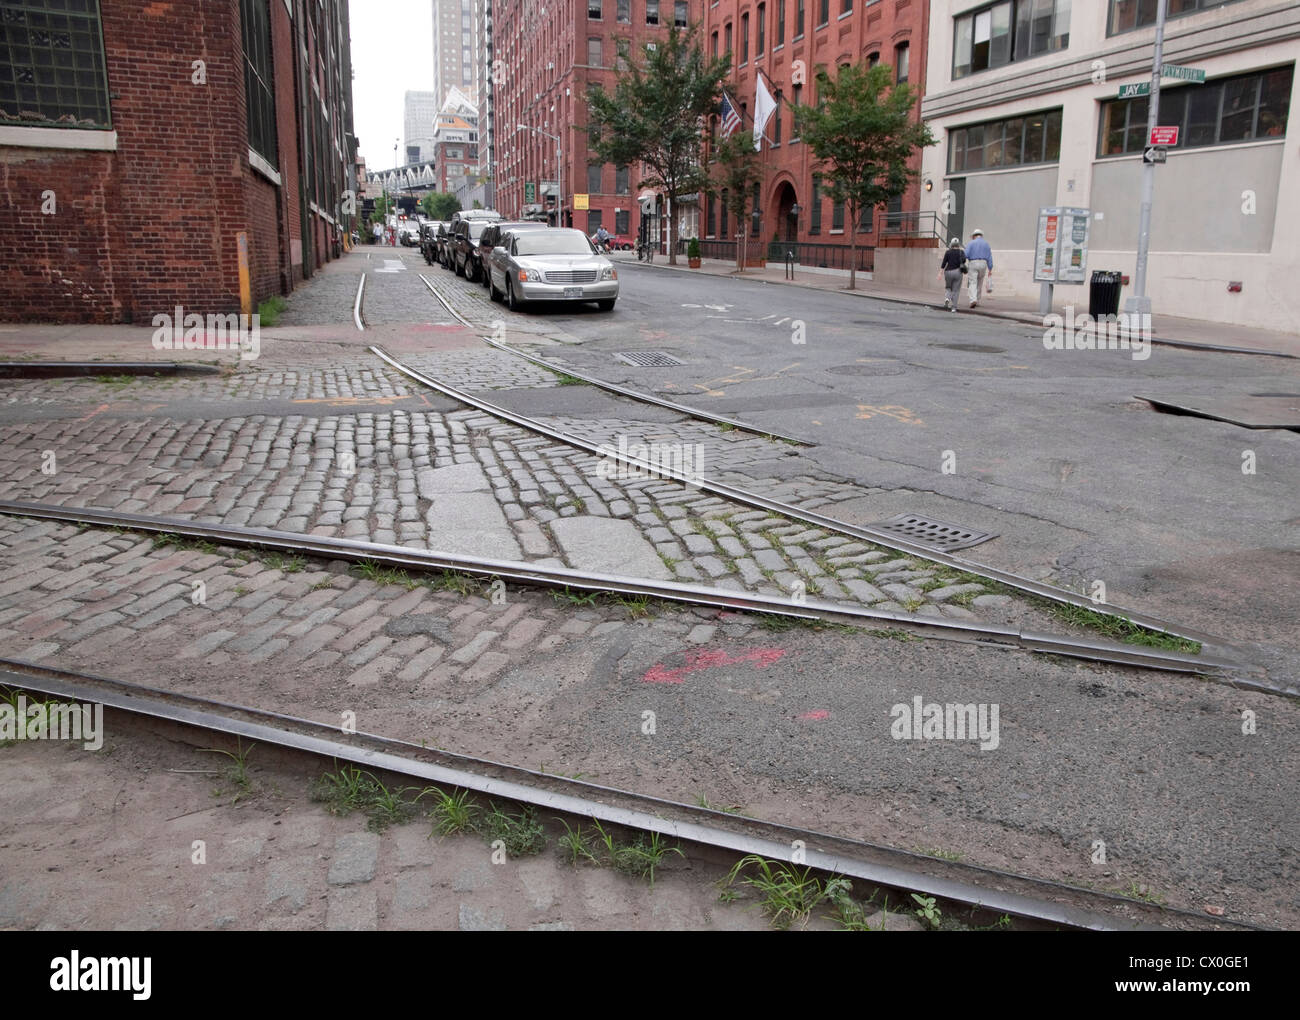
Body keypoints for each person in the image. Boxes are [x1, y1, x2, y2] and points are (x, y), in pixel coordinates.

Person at [965, 228, 993, 307]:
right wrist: (990, 268)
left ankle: (973, 299)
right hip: (983, 263)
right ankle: (977, 300)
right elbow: (989, 257)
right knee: (980, 282)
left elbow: (966, 254)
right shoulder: (986, 244)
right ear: (981, 235)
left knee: (973, 282)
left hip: (973, 263)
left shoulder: (971, 243)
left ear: (974, 236)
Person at [939, 237, 966, 312]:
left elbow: (944, 263)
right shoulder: (961, 252)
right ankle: (954, 307)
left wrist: (940, 273)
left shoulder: (948, 252)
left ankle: (947, 298)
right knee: (956, 290)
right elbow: (964, 261)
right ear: (958, 244)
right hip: (958, 272)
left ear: (951, 244)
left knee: (948, 287)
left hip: (948, 272)